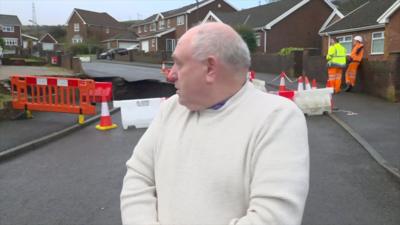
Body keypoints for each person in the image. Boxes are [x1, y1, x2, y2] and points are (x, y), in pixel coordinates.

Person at [120, 22, 309, 225]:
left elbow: (273, 218)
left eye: (179, 64)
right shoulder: (171, 108)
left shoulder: (276, 118)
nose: (171, 74)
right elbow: (138, 177)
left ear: (210, 68)